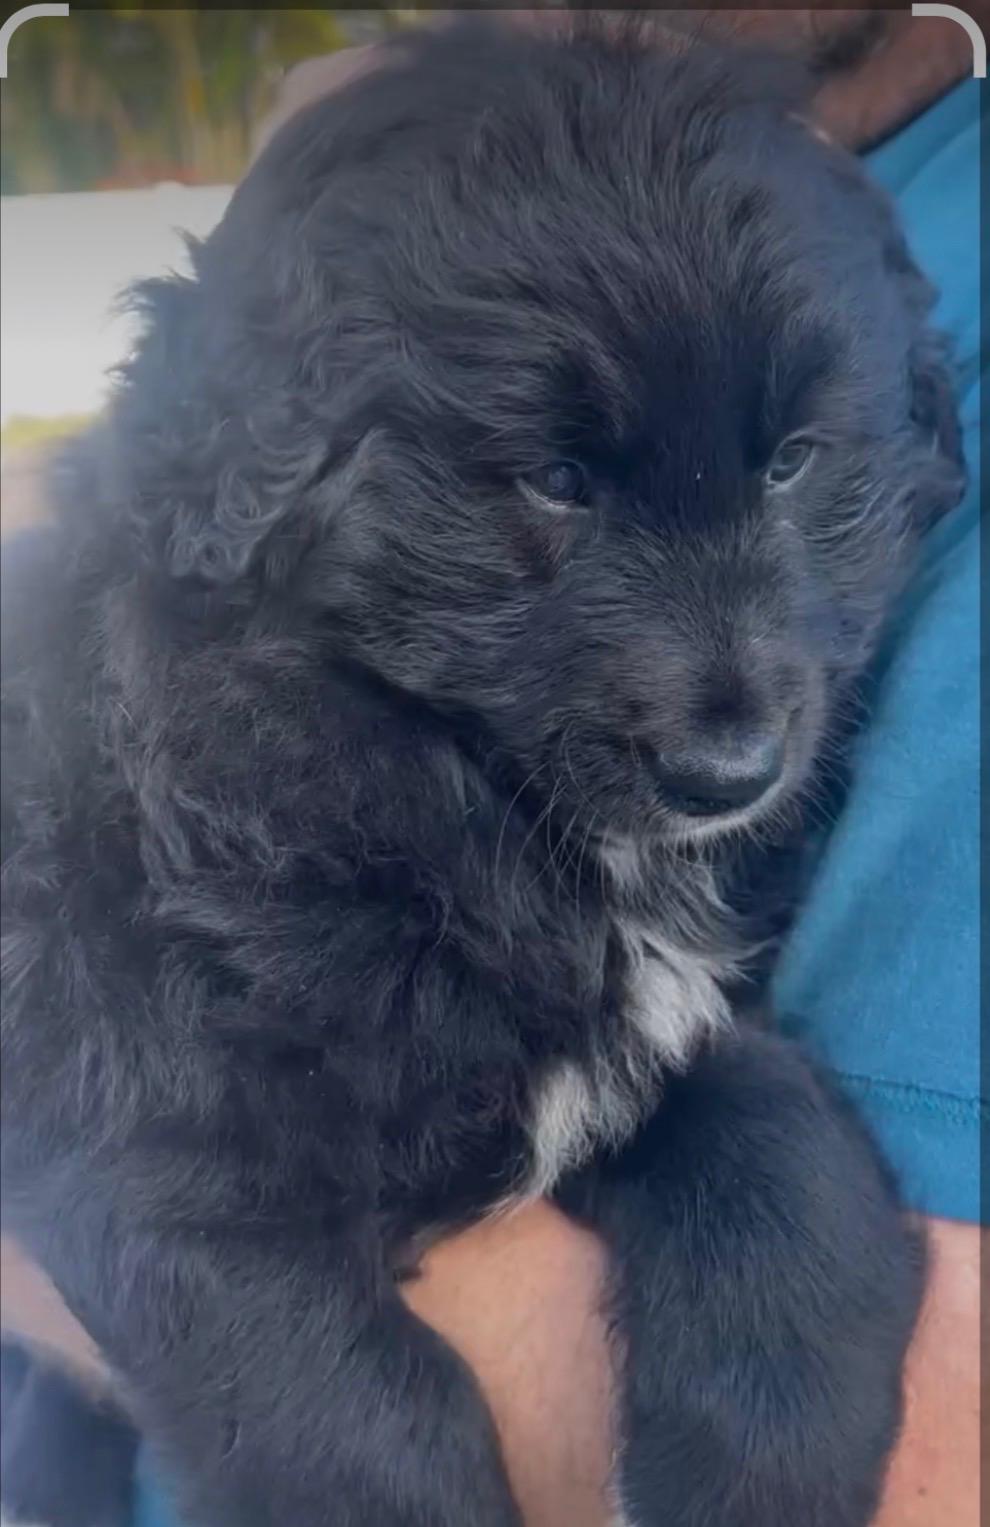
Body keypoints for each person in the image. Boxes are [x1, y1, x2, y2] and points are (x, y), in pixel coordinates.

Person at [1, 11, 981, 1527]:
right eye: (558, 484)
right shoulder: (260, 788)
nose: (732, 718)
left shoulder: (864, 281)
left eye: (785, 468)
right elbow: (149, 1166)